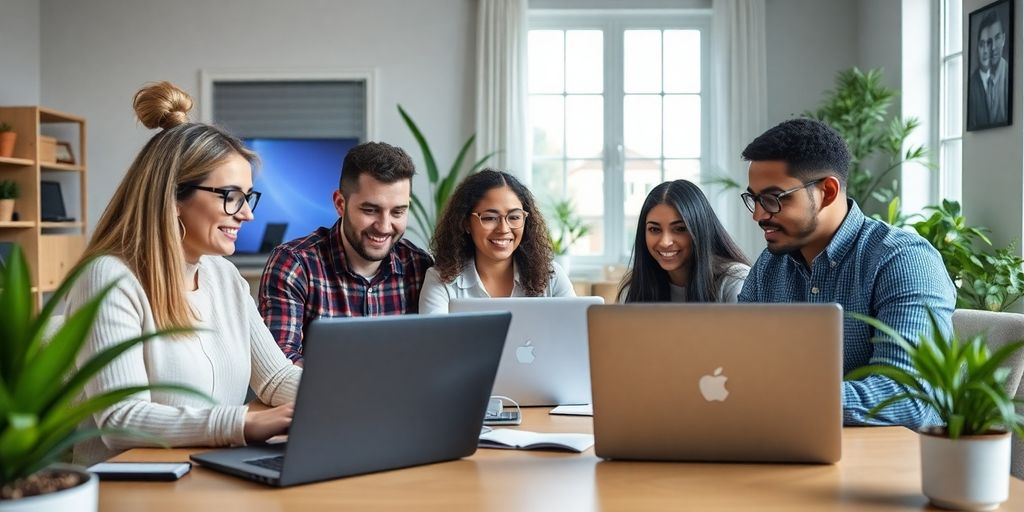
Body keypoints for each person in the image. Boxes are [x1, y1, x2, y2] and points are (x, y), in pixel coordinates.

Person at [66, 82, 301, 465]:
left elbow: (274, 379)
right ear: (174, 197)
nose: (247, 214)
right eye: (231, 197)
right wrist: (242, 423)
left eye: (248, 196)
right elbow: (120, 421)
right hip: (130, 486)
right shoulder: (109, 279)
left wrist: (342, 399)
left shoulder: (224, 278)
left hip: (207, 474)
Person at [737, 118, 956, 430]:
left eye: (773, 199)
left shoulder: (903, 260)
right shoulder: (771, 266)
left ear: (827, 191)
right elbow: (740, 365)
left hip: (895, 462)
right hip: (790, 442)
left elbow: (907, 396)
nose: (759, 214)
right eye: (754, 199)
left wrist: (780, 401)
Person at [259, 142, 433, 365]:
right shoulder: (294, 264)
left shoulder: (419, 267)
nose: (384, 226)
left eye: (398, 212)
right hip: (324, 400)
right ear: (340, 204)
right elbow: (279, 365)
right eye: (370, 210)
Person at [419, 169, 574, 313]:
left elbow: (577, 333)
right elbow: (436, 342)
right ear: (465, 223)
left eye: (514, 217)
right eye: (490, 218)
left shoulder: (551, 276)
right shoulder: (440, 280)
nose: (504, 229)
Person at [618, 179, 749, 303]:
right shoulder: (635, 289)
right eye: (654, 229)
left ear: (700, 229)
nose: (665, 242)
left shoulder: (736, 281)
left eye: (680, 229)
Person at [968, 10, 1008, 128]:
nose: (988, 50)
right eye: (982, 44)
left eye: (997, 38)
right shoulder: (973, 84)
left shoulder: (1006, 75)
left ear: (1004, 39)